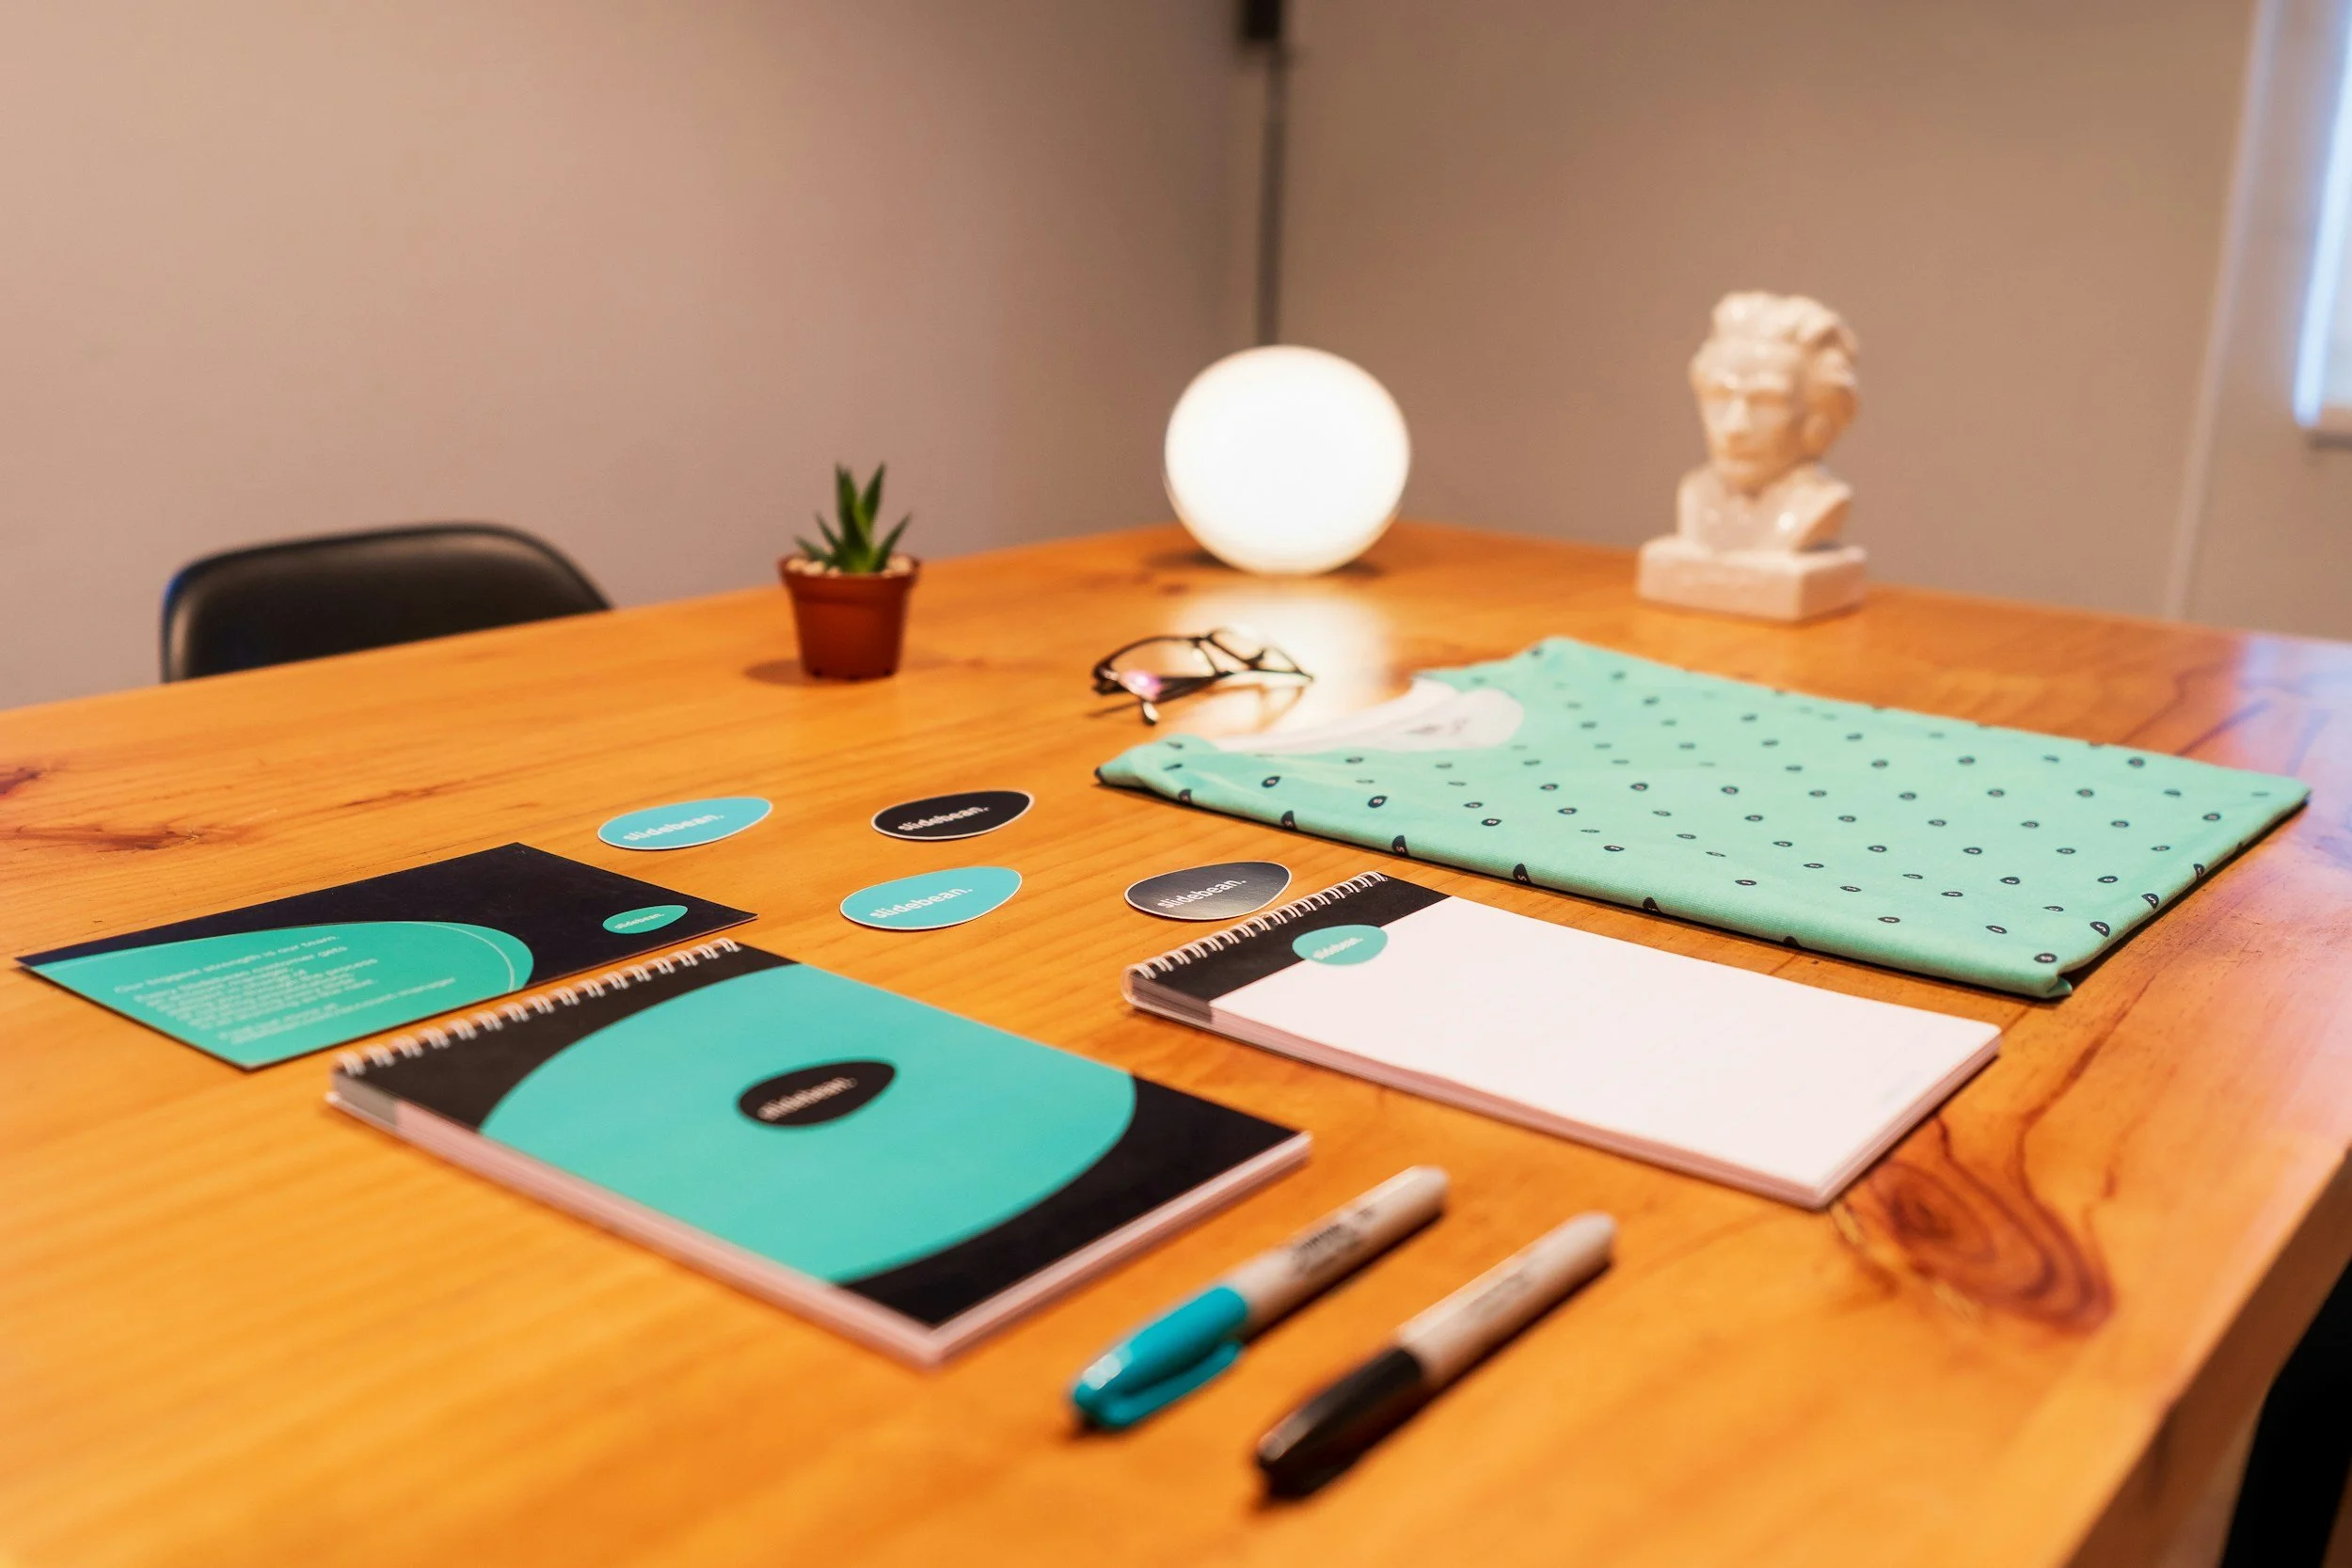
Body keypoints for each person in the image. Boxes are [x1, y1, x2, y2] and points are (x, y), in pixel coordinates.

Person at [1676, 292, 1861, 556]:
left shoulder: (1815, 507)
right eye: (1719, 397)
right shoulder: (1696, 496)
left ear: (1818, 420)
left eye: (1765, 402)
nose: (1734, 426)